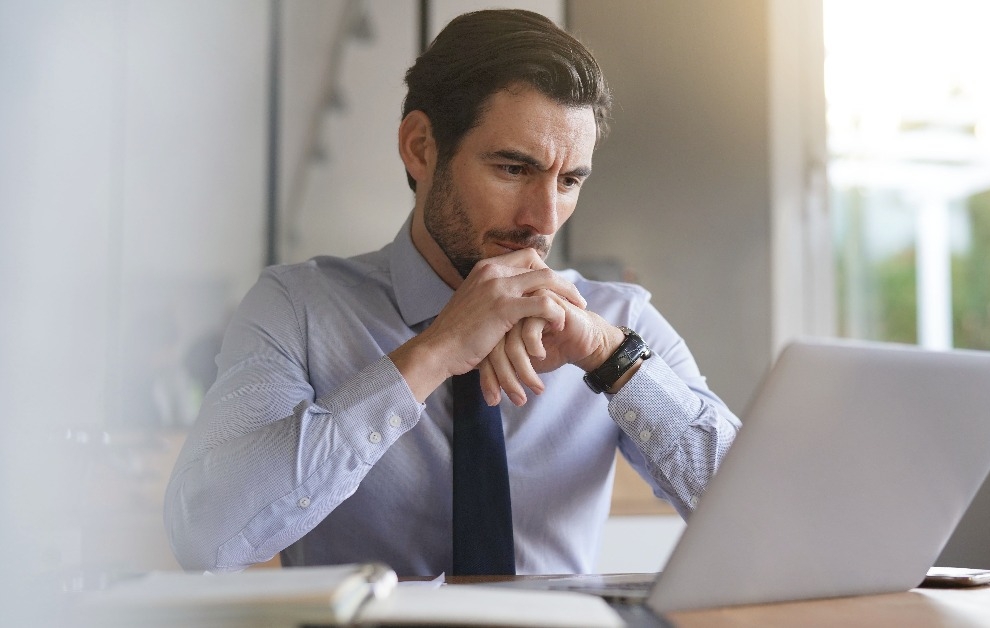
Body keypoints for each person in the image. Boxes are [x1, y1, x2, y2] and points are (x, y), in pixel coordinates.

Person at [164, 9, 740, 576]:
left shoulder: (617, 319)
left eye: (568, 181)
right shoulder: (298, 308)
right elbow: (208, 537)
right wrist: (433, 353)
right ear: (419, 147)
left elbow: (753, 519)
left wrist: (613, 359)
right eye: (513, 169)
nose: (544, 219)